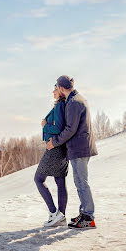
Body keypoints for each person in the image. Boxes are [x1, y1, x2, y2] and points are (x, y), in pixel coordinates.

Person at [47, 75, 98, 229]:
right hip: (80, 147)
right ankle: (84, 214)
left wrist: (54, 142)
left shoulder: (74, 103)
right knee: (80, 181)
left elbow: (70, 129)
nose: (56, 90)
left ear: (62, 88)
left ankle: (88, 217)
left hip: (80, 148)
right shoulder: (76, 99)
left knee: (82, 182)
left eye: (57, 88)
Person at [34, 83, 69, 227]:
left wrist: (44, 125)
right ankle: (60, 217)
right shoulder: (62, 105)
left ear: (60, 91)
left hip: (54, 148)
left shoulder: (60, 106)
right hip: (61, 148)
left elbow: (58, 128)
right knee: (60, 181)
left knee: (38, 179)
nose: (53, 91)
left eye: (55, 89)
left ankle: (54, 213)